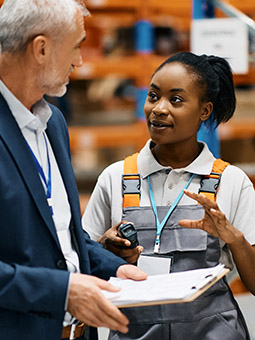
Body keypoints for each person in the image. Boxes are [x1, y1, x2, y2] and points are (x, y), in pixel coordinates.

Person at [0, 1, 148, 340]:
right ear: (41, 48)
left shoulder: (53, 123)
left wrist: (116, 268)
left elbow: (59, 235)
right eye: (77, 46)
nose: (80, 61)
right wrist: (62, 291)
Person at [82, 51, 255, 339]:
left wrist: (233, 238)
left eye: (175, 100)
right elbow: (81, 266)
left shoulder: (231, 181)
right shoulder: (115, 177)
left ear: (204, 111)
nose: (159, 109)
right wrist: (105, 247)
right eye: (153, 96)